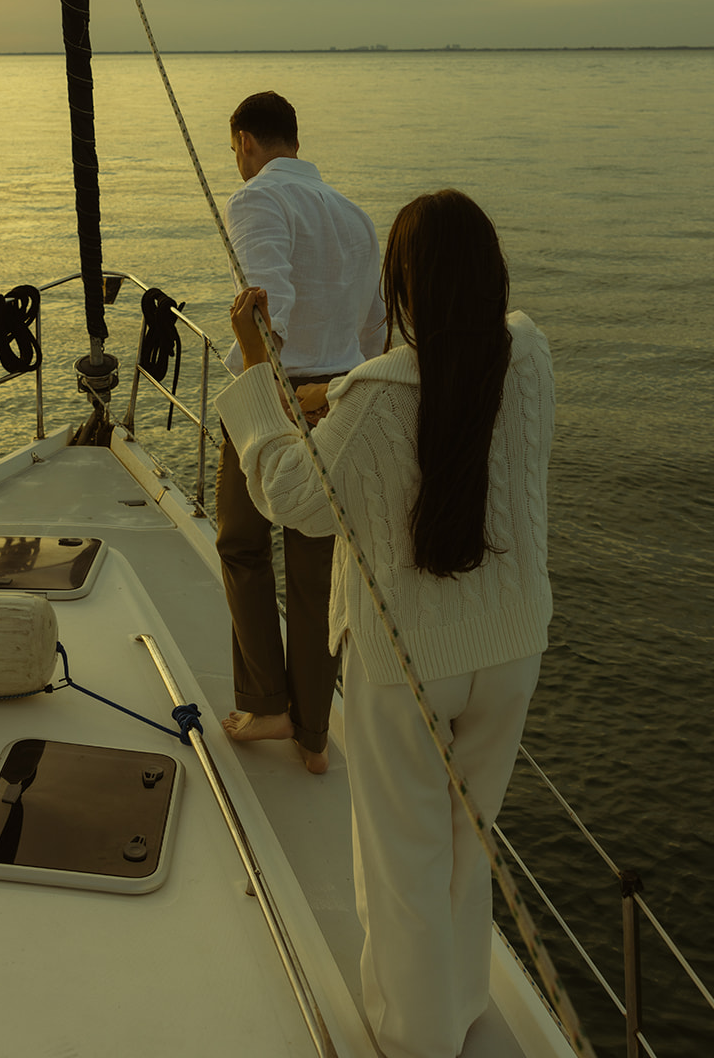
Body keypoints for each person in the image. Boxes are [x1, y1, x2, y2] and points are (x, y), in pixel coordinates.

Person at [215, 189, 553, 1058]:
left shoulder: (377, 399)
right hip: (510, 648)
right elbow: (426, 395)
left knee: (401, 857)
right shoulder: (530, 356)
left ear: (403, 286)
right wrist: (337, 395)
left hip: (409, 662)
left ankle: (413, 1038)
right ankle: (463, 997)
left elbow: (296, 499)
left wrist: (258, 370)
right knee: (463, 839)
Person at [216, 90, 385, 774]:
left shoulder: (257, 199)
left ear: (246, 141)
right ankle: (314, 735)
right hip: (343, 394)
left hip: (279, 389)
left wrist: (260, 375)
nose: (236, 163)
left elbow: (266, 306)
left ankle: (266, 704)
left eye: (234, 151)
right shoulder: (354, 214)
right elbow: (374, 327)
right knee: (317, 572)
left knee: (239, 542)